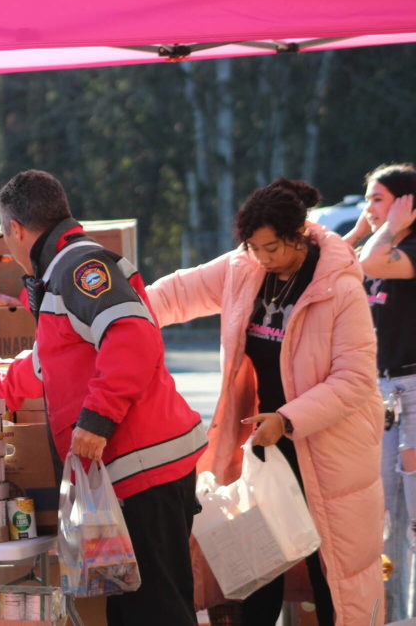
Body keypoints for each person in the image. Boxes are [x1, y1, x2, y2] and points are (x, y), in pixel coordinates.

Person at [148, 178, 383, 626]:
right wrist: (121, 313)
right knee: (258, 564)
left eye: (272, 248)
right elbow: (179, 292)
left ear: (299, 235)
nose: (263, 258)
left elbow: (354, 379)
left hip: (327, 447)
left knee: (330, 570)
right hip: (264, 444)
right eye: (254, 248)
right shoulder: (245, 267)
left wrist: (287, 419)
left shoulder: (339, 286)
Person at [0, 169, 206, 626]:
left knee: (157, 612)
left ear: (15, 229)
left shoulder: (78, 267)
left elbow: (133, 338)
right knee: (133, 611)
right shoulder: (62, 272)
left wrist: (95, 421)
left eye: (4, 236)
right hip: (132, 474)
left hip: (144, 470)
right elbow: (51, 362)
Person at [342, 163, 416, 621]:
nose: (370, 209)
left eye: (378, 199)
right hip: (382, 391)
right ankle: (392, 616)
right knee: (385, 515)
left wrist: (388, 228)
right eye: (367, 199)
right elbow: (339, 259)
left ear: (407, 205)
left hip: (412, 388)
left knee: (412, 516)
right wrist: (359, 228)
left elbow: (369, 263)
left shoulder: (404, 248)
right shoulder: (374, 242)